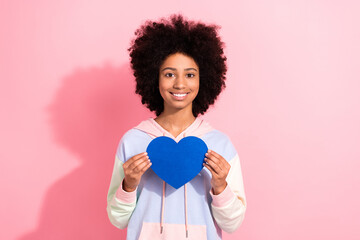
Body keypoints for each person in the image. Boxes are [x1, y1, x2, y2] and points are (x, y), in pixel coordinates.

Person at [107, 14, 247, 240]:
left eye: (190, 75)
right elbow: (117, 219)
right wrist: (129, 185)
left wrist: (220, 185)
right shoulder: (132, 141)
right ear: (154, 78)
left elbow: (232, 224)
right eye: (169, 74)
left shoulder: (221, 144)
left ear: (204, 79)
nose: (180, 84)